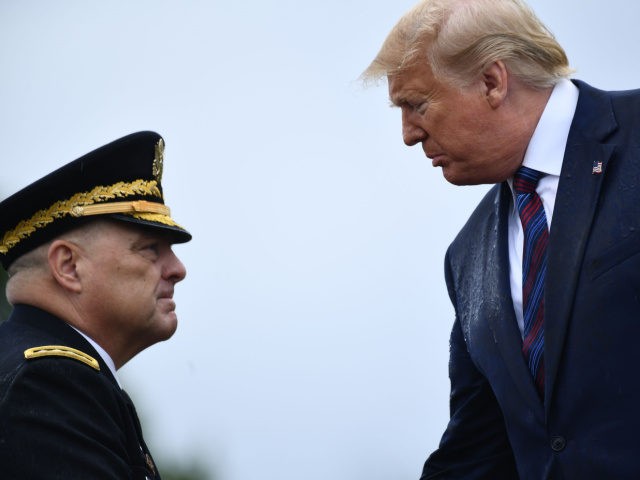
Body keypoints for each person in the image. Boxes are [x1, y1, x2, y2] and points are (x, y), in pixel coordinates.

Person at [362, 0, 640, 478]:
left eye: (417, 104)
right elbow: (477, 452)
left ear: (492, 81)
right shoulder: (466, 256)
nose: (407, 134)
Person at [0, 131, 191, 479]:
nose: (178, 269)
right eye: (151, 248)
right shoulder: (49, 383)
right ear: (69, 266)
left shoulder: (52, 375)